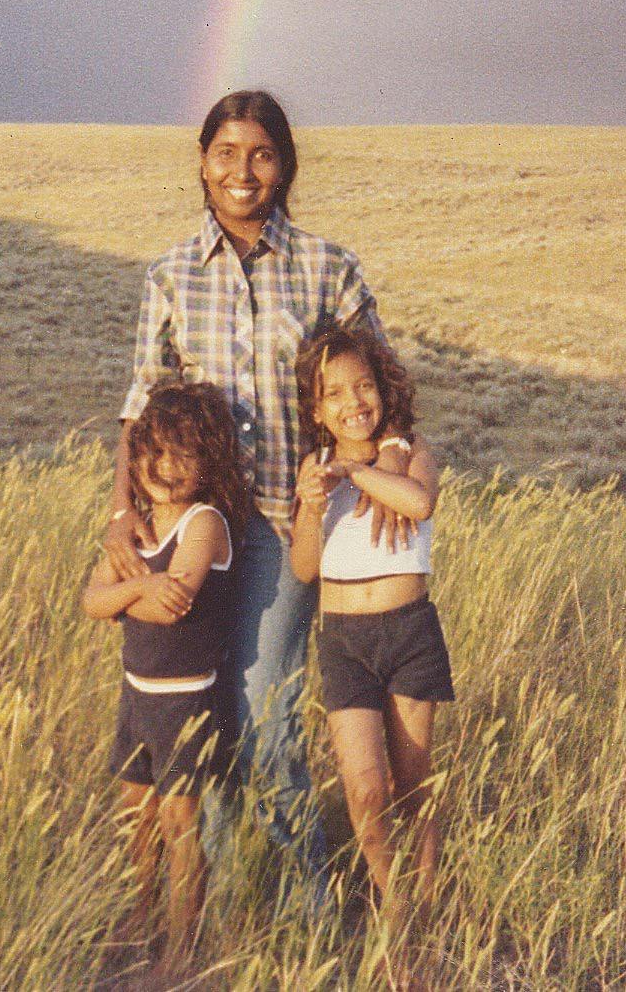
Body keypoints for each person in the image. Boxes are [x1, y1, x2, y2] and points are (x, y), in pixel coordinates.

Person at [102, 89, 411, 890]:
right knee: (204, 715)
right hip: (194, 533)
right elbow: (141, 407)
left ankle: (312, 904)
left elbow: (380, 386)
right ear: (202, 163)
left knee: (265, 710)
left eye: (262, 153)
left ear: (286, 165)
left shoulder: (326, 266)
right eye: (226, 152)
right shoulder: (169, 274)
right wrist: (119, 513)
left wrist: (388, 471)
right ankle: (229, 901)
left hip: (282, 527)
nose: (243, 171)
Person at [290, 325, 454, 938]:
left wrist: (357, 472)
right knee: (366, 789)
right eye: (335, 393)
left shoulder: (411, 450)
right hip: (344, 643)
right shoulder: (314, 469)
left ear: (383, 389)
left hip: (408, 631)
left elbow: (419, 504)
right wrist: (311, 501)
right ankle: (395, 902)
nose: (354, 402)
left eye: (364, 386)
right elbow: (305, 567)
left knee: (412, 781)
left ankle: (431, 900)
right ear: (316, 408)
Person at [82, 381, 249, 979]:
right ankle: (142, 911)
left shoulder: (204, 524)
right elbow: (91, 601)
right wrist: (139, 588)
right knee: (137, 812)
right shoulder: (139, 525)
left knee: (180, 824)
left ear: (210, 463)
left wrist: (133, 593)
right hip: (138, 693)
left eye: (185, 455)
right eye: (155, 452)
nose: (167, 467)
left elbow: (171, 605)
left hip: (184, 698)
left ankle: (181, 946)